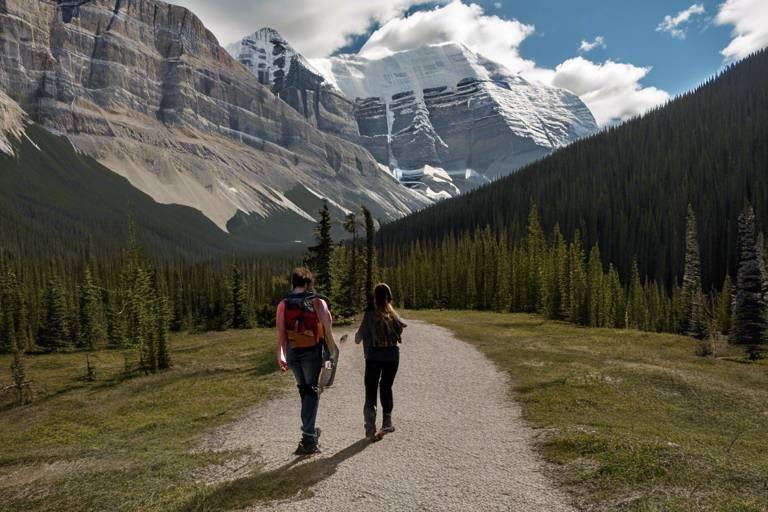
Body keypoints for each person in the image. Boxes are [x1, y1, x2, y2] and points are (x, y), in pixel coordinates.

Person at [276, 268, 337, 455]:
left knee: (304, 391)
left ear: (293, 283)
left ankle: (309, 434)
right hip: (312, 352)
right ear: (308, 283)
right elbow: (327, 328)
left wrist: (281, 355)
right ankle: (309, 437)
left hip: (293, 352)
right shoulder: (318, 302)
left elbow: (281, 333)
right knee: (311, 391)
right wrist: (333, 351)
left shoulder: (283, 304)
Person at [355, 283, 407, 442]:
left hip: (373, 358)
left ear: (374, 297)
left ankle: (370, 428)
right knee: (386, 387)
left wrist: (359, 336)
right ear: (388, 297)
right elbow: (401, 328)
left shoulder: (370, 313)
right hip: (392, 357)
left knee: (370, 390)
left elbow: (358, 338)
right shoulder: (393, 314)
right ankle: (387, 421)